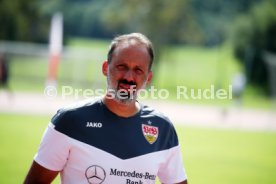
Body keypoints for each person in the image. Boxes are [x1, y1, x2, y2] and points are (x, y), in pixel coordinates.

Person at [24, 33, 188, 184]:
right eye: (122, 66)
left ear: (149, 77)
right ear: (105, 68)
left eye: (138, 70)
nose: (129, 77)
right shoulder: (69, 121)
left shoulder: (163, 129)